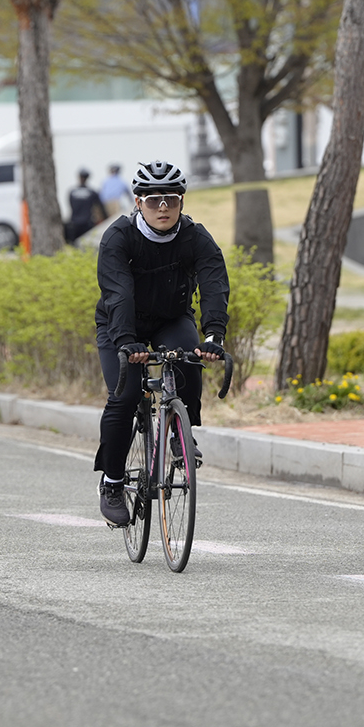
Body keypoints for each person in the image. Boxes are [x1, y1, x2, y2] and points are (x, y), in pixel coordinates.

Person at [94, 160, 229, 526]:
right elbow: (118, 294)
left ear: (182, 201)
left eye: (171, 198)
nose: (163, 207)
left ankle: (180, 434)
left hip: (171, 318)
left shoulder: (195, 237)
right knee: (124, 396)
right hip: (120, 325)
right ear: (138, 203)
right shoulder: (118, 237)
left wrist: (214, 335)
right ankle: (112, 483)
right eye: (153, 200)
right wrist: (127, 341)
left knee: (188, 360)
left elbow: (214, 283)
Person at [66, 168, 107, 245]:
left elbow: (70, 205)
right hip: (87, 223)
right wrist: (106, 219)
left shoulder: (72, 192)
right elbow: (101, 207)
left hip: (74, 222)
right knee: (86, 245)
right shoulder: (92, 192)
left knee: (73, 244)